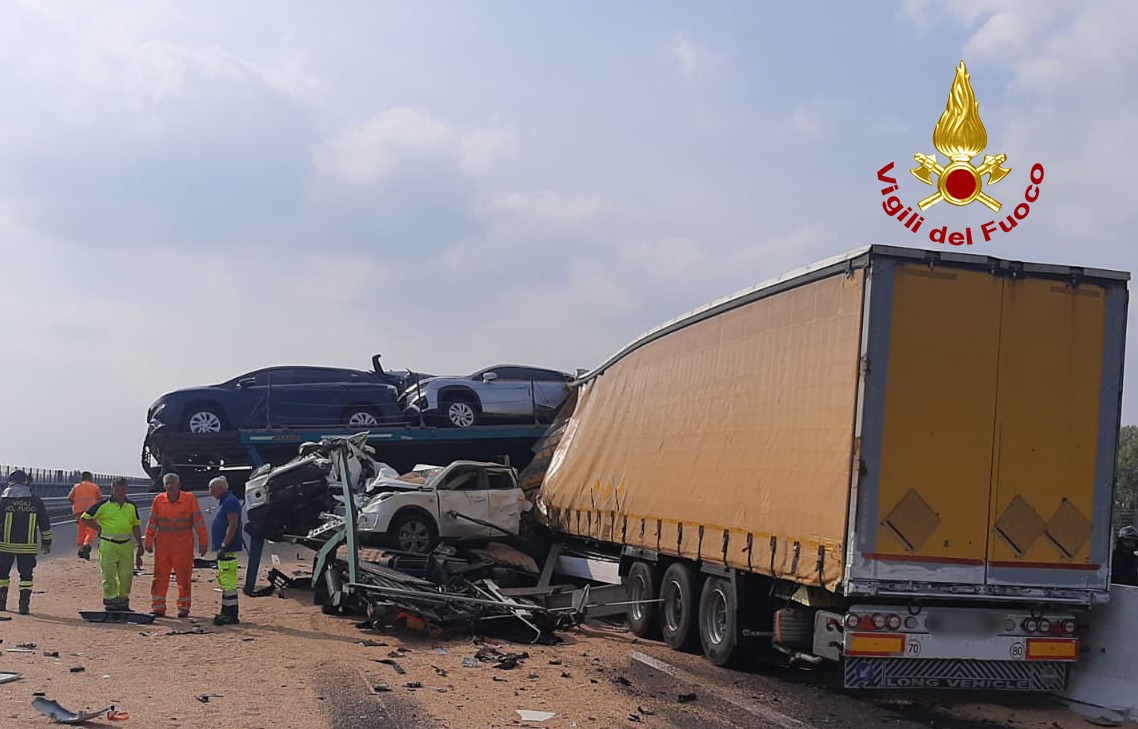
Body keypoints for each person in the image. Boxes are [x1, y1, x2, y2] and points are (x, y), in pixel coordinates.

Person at [145, 473, 207, 617]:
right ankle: (158, 607)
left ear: (179, 485)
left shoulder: (189, 499)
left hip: (183, 544)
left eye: (173, 483)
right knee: (160, 576)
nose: (170, 486)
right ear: (164, 485)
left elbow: (198, 522)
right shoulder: (159, 500)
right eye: (168, 483)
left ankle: (184, 607)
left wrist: (203, 542)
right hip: (163, 544)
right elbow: (152, 522)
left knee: (184, 577)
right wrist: (148, 541)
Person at [81, 477, 144, 611]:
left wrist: (140, 544)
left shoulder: (131, 506)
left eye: (123, 489)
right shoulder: (103, 505)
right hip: (108, 544)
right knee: (109, 575)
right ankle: (110, 601)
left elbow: (136, 525)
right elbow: (85, 517)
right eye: (118, 490)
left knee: (126, 576)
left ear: (127, 489)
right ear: (112, 489)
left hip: (126, 545)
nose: (120, 492)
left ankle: (122, 601)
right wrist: (99, 528)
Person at [0, 470, 52, 614]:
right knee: (26, 576)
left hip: (5, 547)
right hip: (27, 547)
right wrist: (46, 542)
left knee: (2, 575)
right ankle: (24, 606)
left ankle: (1, 603)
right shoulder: (35, 501)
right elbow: (44, 523)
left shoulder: (3, 500)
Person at [208, 476, 244, 625]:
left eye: (212, 489)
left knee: (228, 583)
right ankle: (226, 611)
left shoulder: (230, 502)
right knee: (225, 582)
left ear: (221, 488)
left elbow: (233, 526)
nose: (211, 493)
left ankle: (231, 614)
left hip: (228, 549)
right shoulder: (225, 501)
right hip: (226, 549)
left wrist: (224, 545)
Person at [68, 471, 103, 560]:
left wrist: (74, 505)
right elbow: (100, 499)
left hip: (79, 512)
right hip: (91, 512)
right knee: (90, 530)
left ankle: (80, 549)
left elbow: (69, 498)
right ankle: (87, 544)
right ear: (90, 478)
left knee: (81, 531)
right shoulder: (95, 487)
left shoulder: (77, 486)